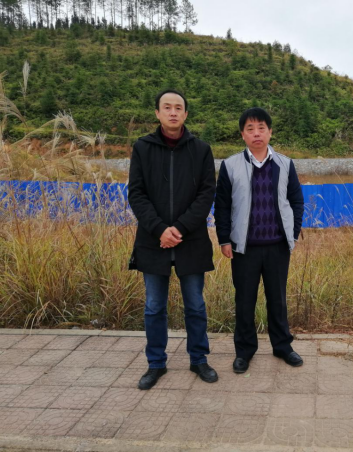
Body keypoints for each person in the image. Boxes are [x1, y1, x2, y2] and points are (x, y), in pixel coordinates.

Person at [128, 89, 218, 389]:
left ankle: (199, 359)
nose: (173, 112)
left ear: (186, 114)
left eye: (178, 107)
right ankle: (156, 363)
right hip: (153, 240)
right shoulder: (142, 147)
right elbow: (136, 194)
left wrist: (178, 228)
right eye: (167, 107)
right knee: (154, 306)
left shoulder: (201, 149)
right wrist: (160, 230)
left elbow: (206, 194)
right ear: (157, 113)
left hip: (190, 240)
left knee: (195, 304)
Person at [214, 107, 305, 373]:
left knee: (278, 299)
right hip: (245, 248)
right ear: (242, 134)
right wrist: (224, 239)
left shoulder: (285, 164)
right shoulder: (230, 165)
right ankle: (244, 351)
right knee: (245, 301)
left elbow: (296, 201)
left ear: (270, 132)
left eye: (261, 128)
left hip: (277, 245)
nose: (256, 133)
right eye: (250, 129)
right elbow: (222, 206)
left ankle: (283, 346)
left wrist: (292, 233)